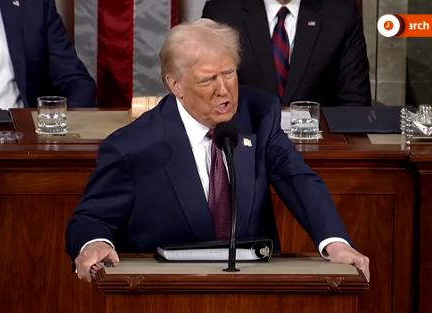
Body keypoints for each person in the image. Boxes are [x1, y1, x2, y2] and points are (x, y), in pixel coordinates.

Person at [66, 19, 369, 282]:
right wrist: (94, 243)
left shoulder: (259, 115)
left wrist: (336, 243)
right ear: (176, 85)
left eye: (229, 73)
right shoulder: (132, 146)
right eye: (208, 79)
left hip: (255, 291)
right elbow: (90, 219)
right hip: (166, 294)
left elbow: (298, 179)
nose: (223, 90)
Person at [202, 0, 371, 107]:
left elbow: (354, 102)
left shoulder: (341, 12)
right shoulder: (222, 10)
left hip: (320, 147)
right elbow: (208, 96)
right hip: (245, 147)